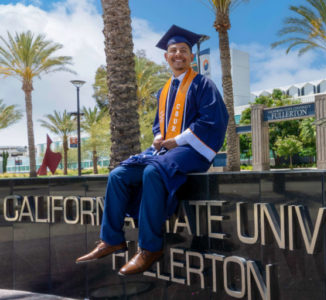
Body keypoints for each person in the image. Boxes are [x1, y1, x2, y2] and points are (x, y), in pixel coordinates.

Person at [75, 25, 228, 276]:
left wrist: (177, 140)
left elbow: (212, 121)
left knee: (152, 174)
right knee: (118, 175)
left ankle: (150, 248)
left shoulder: (203, 85)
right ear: (166, 57)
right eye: (173, 51)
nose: (178, 54)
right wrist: (158, 136)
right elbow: (159, 123)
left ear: (191, 57)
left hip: (193, 150)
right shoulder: (164, 90)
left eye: (183, 51)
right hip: (165, 151)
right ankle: (112, 239)